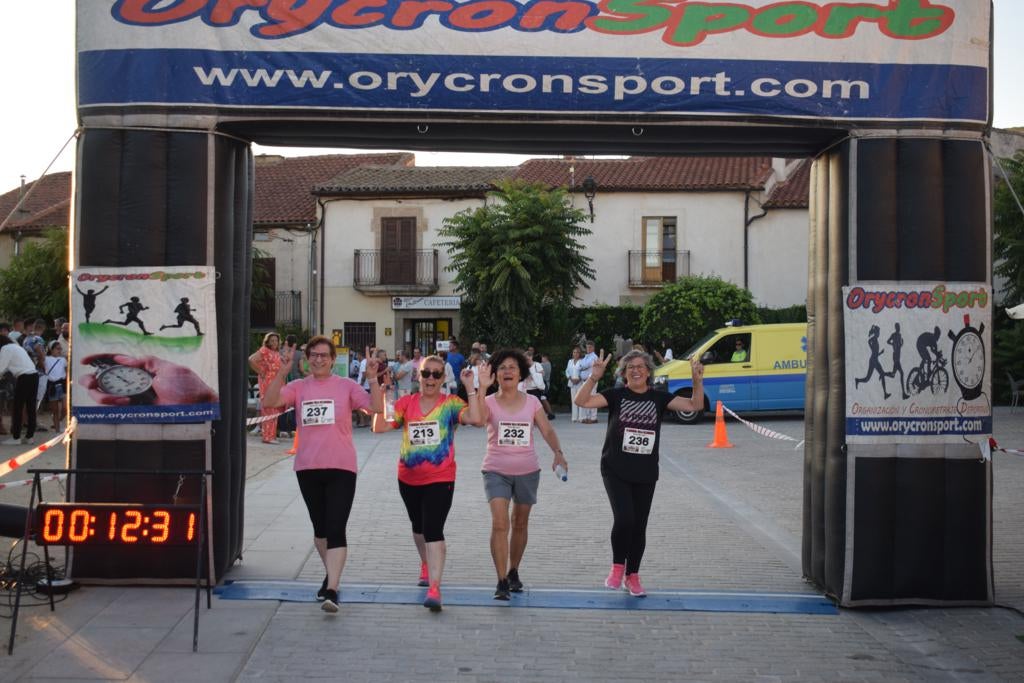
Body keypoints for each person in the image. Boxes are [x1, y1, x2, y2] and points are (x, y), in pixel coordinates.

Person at [262, 336, 383, 614]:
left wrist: (373, 379)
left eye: (324, 355)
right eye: (313, 355)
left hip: (341, 467)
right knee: (320, 531)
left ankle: (332, 589)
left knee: (336, 527)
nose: (318, 359)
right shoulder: (298, 387)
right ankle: (332, 575)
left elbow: (375, 408)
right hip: (307, 467)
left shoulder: (346, 386)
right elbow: (270, 402)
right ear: (306, 359)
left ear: (332, 359)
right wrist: (281, 371)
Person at [575, 348, 704, 597]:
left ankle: (632, 576)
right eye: (630, 367)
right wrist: (593, 378)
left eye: (640, 367)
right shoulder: (616, 395)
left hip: (645, 471)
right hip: (615, 468)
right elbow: (581, 402)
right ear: (624, 373)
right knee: (625, 519)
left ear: (648, 373)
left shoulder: (658, 398)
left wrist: (697, 381)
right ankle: (616, 567)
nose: (636, 370)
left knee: (639, 526)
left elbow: (695, 405)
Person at [371, 354, 481, 611]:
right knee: (418, 527)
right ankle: (424, 563)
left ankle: (435, 586)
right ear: (417, 376)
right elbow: (380, 427)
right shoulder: (406, 403)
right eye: (426, 373)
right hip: (408, 477)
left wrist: (471, 389)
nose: (430, 378)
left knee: (433, 529)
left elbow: (476, 420)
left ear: (443, 378)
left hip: (441, 477)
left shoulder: (451, 403)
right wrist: (383, 393)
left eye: (436, 374)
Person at [476, 349, 568, 600]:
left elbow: (547, 430)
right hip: (495, 470)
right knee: (499, 523)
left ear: (521, 375)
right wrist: (481, 390)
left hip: (528, 470)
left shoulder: (532, 402)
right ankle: (501, 580)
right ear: (496, 374)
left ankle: (513, 570)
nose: (507, 371)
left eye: (512, 368)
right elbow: (478, 419)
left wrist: (558, 453)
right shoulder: (489, 402)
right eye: (503, 367)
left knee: (519, 523)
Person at [0, 335, 41, 446]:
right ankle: (29, 437)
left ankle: (16, 437)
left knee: (18, 407)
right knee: (30, 407)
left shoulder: (5, 349)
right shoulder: (16, 347)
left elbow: (1, 368)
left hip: (24, 377)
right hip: (34, 375)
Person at [248, 332, 283, 444]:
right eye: (272, 340)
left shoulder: (276, 352)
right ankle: (267, 437)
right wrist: (261, 372)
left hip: (276, 382)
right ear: (267, 341)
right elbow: (251, 359)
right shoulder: (264, 350)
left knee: (275, 409)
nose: (274, 342)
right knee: (268, 409)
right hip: (268, 382)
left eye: (276, 340)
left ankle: (271, 435)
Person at [43, 340, 67, 432]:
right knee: (55, 410)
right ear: (51, 349)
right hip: (52, 385)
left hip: (63, 384)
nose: (60, 350)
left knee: (65, 408)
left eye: (60, 349)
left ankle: (59, 421)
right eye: (57, 349)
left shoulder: (63, 359)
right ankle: (57, 430)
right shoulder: (46, 359)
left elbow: (67, 372)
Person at [578, 341, 599, 423]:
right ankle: (588, 417)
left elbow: (585, 365)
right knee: (586, 398)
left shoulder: (594, 357)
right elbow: (581, 366)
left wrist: (582, 366)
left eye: (590, 347)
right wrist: (582, 366)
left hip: (592, 380)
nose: (588, 349)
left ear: (593, 348)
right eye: (587, 347)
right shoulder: (586, 357)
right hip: (584, 381)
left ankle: (593, 417)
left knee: (592, 397)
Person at [565, 346, 584, 422]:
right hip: (572, 382)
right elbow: (567, 371)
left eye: (577, 352)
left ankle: (581, 417)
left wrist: (579, 379)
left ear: (579, 354)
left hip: (580, 382)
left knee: (580, 399)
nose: (575, 354)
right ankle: (574, 417)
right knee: (574, 400)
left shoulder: (582, 361)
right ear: (572, 353)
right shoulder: (570, 361)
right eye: (574, 352)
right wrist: (570, 378)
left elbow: (583, 371)